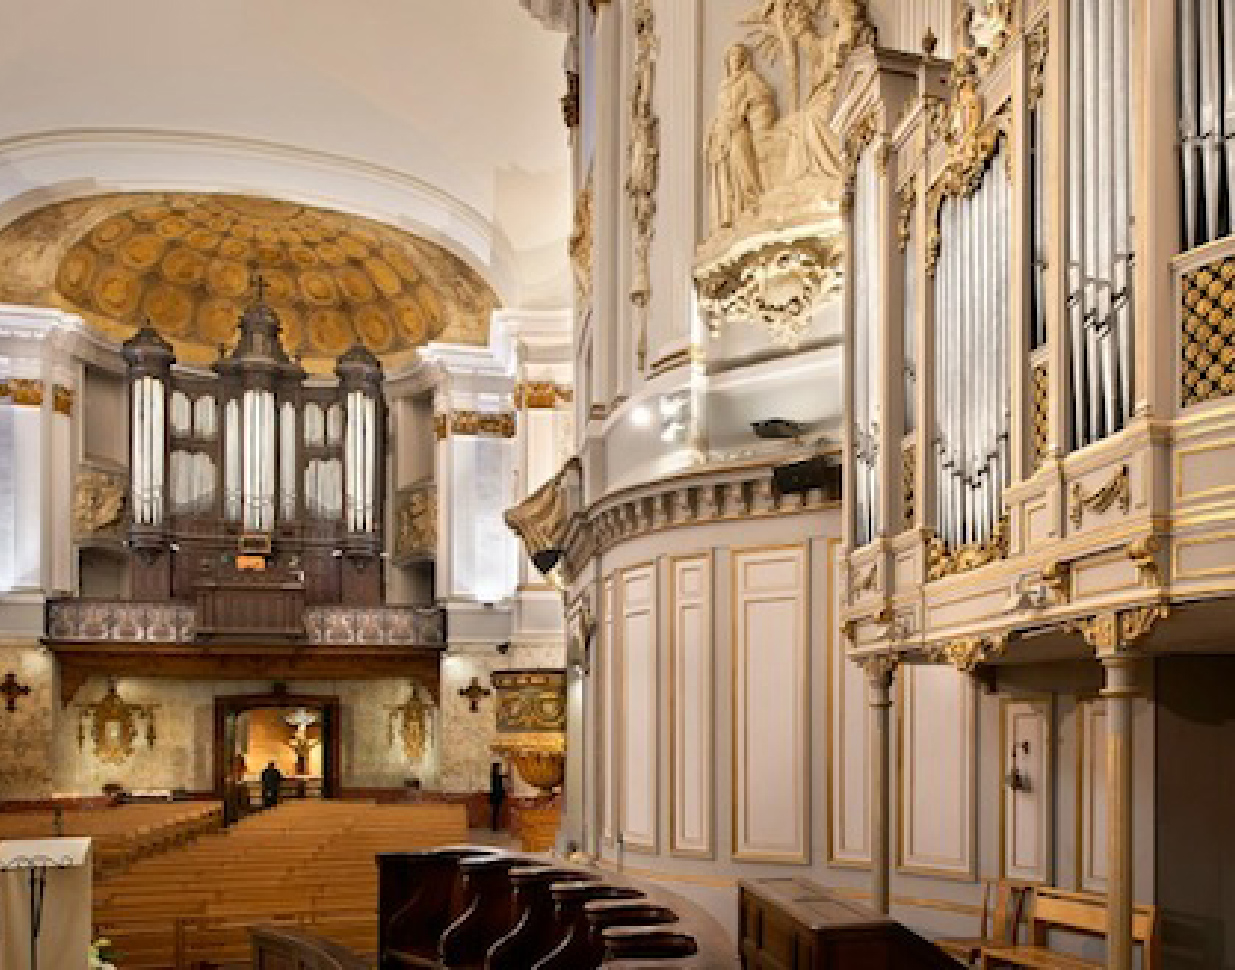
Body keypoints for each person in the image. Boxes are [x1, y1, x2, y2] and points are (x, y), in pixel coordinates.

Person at [706, 43, 778, 232]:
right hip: (723, 134)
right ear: (727, 61)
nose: (735, 59)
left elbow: (763, 96)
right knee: (727, 176)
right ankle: (735, 212)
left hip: (739, 129)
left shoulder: (749, 78)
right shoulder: (724, 85)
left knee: (744, 165)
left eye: (739, 56)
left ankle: (754, 203)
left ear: (744, 59)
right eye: (732, 56)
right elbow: (721, 110)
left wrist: (744, 107)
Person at [488, 761, 507, 832]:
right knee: (495, 812)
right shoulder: (494, 776)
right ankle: (494, 827)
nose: (499, 769)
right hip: (495, 796)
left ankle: (495, 826)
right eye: (498, 768)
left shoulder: (496, 776)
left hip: (496, 796)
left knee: (496, 812)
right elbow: (498, 787)